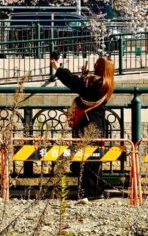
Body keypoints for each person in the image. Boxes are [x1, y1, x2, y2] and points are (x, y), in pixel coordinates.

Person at [50, 54, 115, 200]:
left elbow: (75, 84)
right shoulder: (107, 83)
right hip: (97, 123)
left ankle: (90, 193)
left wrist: (58, 69)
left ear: (98, 67)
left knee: (85, 160)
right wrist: (85, 76)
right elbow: (84, 88)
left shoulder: (95, 83)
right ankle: (94, 191)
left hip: (86, 124)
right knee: (93, 159)